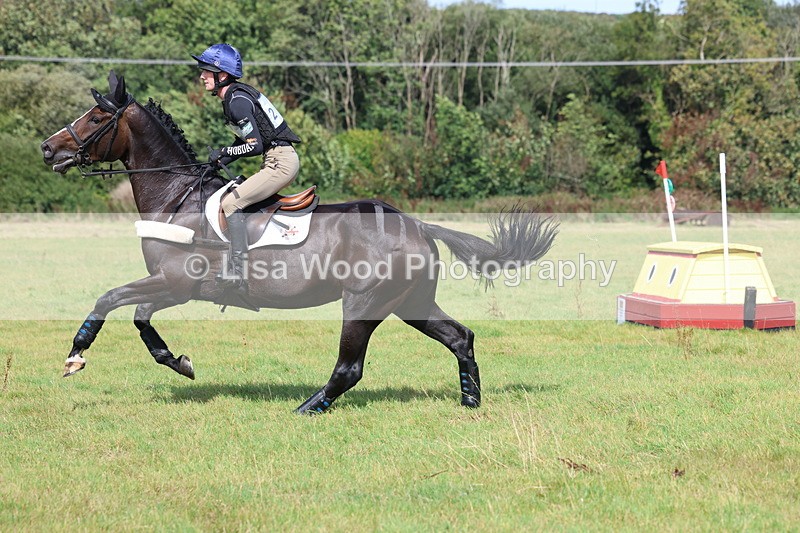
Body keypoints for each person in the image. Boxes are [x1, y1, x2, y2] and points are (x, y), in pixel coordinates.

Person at [192, 43, 301, 294]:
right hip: (275, 159)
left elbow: (254, 145)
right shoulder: (236, 96)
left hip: (280, 162)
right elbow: (245, 140)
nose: (201, 76)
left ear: (223, 75)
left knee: (230, 204)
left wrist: (226, 153)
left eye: (207, 71)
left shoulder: (237, 101)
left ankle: (238, 270)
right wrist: (220, 159)